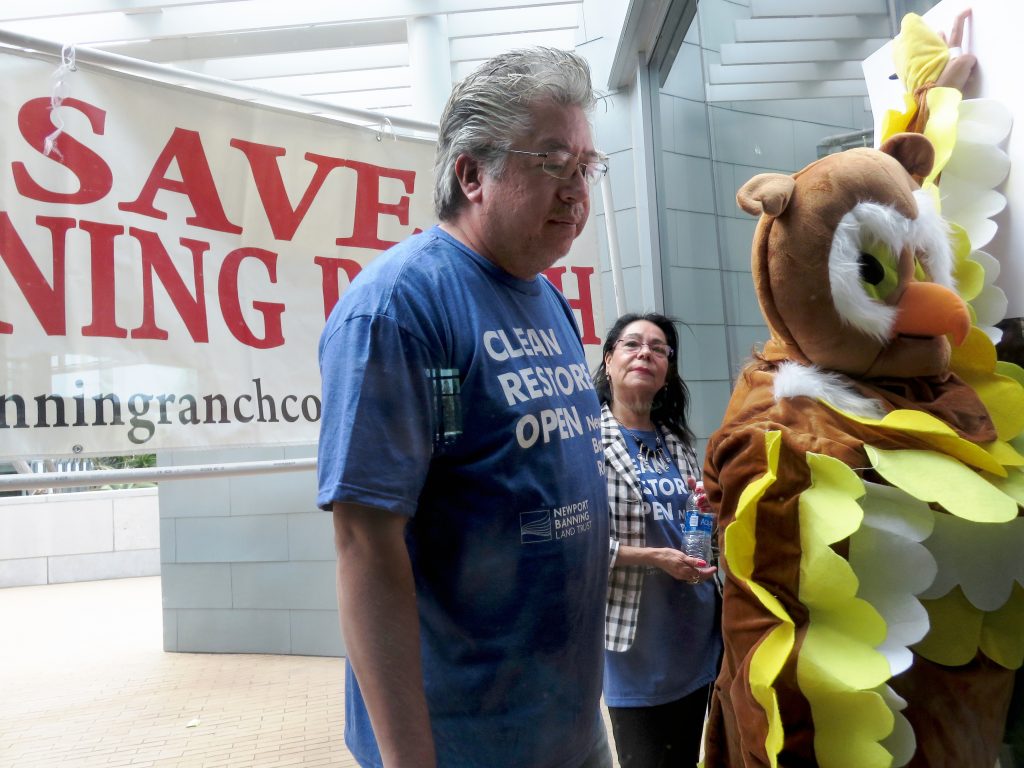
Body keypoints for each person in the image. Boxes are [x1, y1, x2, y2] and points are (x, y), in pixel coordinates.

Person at [317, 47, 612, 768]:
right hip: (461, 743)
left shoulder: (549, 299)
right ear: (472, 174)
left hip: (567, 728)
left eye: (585, 166)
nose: (577, 191)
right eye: (552, 163)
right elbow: (364, 543)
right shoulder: (396, 308)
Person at [593, 312, 722, 768]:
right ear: (609, 360)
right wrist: (652, 557)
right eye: (632, 344)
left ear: (668, 370)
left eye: (659, 348)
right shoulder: (586, 441)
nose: (645, 352)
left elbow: (694, 541)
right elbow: (570, 543)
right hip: (638, 651)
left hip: (699, 638)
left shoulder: (676, 441)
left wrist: (706, 523)